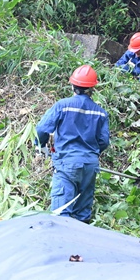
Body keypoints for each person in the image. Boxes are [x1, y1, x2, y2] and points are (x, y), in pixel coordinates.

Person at [36, 65, 110, 222]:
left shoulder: (62, 106)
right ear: (92, 88)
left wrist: (41, 146)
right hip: (90, 164)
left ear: (72, 86)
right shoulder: (100, 112)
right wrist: (90, 154)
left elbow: (42, 129)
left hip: (67, 163)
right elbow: (104, 141)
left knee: (60, 215)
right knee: (81, 215)